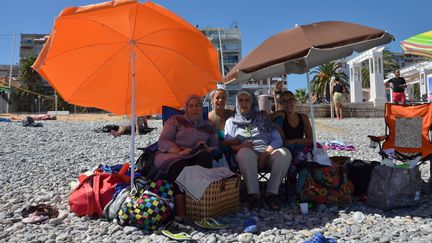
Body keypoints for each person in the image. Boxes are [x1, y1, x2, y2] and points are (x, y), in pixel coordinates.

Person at [224, 90, 292, 211]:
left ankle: (271, 194)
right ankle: (254, 195)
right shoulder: (231, 122)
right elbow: (229, 143)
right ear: (236, 102)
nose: (244, 103)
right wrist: (241, 146)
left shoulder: (262, 118)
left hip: (267, 152)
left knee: (284, 154)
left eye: (247, 100)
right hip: (246, 153)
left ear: (252, 102)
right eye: (241, 100)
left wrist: (266, 154)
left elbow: (277, 139)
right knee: (245, 154)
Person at [154, 95, 219, 220]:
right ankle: (181, 212)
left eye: (197, 105)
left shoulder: (209, 125)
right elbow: (164, 141)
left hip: (194, 154)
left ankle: (197, 206)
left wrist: (206, 147)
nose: (194, 109)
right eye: (191, 106)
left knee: (205, 157)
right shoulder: (175, 120)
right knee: (180, 166)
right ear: (186, 108)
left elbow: (215, 146)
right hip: (172, 154)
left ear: (202, 108)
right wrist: (179, 151)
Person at [207, 88, 238, 168]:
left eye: (223, 98)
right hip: (219, 152)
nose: (220, 100)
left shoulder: (232, 114)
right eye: (217, 98)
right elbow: (211, 141)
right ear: (212, 100)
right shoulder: (208, 118)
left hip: (236, 149)